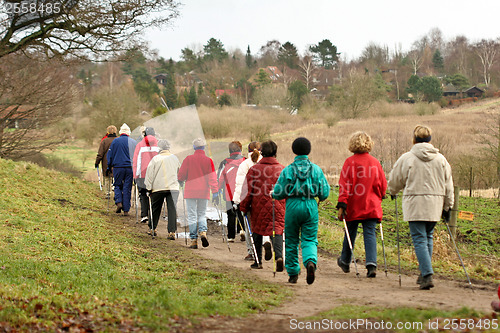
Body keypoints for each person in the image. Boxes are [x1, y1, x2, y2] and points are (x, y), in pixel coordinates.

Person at [388, 125, 454, 290]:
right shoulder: (441, 160)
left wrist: (392, 191)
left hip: (415, 205)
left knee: (419, 239)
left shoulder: (407, 158)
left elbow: (396, 178)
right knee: (428, 237)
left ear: (414, 139)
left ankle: (426, 274)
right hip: (435, 206)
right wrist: (448, 207)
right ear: (430, 140)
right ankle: (425, 272)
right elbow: (449, 185)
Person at [272, 137, 330, 284]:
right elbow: (324, 193)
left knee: (291, 240)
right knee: (309, 239)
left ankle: (293, 273)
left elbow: (279, 192)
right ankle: (310, 262)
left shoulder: (288, 170)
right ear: (308, 151)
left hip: (292, 206)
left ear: (294, 150)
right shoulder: (316, 170)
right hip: (310, 205)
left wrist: (273, 194)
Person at [335, 132, 387, 278]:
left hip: (353, 205)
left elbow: (344, 184)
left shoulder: (349, 162)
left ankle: (345, 261)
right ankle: (371, 264)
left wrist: (342, 203)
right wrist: (381, 195)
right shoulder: (375, 162)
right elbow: (382, 184)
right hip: (371, 204)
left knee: (350, 232)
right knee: (369, 233)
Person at [240, 140, 285, 271]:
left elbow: (247, 192)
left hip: (257, 206)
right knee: (277, 229)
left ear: (262, 153)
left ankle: (258, 261)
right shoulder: (282, 169)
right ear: (275, 152)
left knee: (257, 231)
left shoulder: (254, 169)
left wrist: (244, 207)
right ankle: (279, 257)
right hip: (278, 205)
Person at [233, 142, 272, 261]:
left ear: (248, 150)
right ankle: (265, 240)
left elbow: (241, 184)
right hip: (266, 200)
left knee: (249, 227)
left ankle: (252, 252)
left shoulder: (244, 164)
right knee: (264, 224)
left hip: (250, 200)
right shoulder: (266, 163)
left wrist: (236, 201)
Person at [178, 138, 218, 249]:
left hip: (190, 191)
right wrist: (215, 192)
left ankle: (193, 240)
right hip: (204, 191)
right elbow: (212, 178)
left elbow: (181, 176)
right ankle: (203, 232)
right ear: (204, 147)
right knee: (201, 214)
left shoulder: (188, 159)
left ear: (194, 147)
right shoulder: (208, 160)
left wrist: (180, 180)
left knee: (191, 215)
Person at [144, 139, 180, 239]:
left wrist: (148, 188)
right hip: (173, 188)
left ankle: (152, 228)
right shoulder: (175, 158)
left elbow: (149, 175)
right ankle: (172, 232)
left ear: (159, 148)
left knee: (155, 208)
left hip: (158, 187)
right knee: (172, 209)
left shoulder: (155, 159)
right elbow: (179, 172)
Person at [216, 141, 246, 242]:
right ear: (240, 149)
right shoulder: (245, 161)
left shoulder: (224, 162)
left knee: (231, 214)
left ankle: (231, 236)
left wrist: (217, 189)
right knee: (242, 212)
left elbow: (220, 178)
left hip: (228, 193)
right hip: (242, 192)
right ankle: (242, 231)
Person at [107, 123, 137, 216]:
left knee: (117, 185)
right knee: (127, 188)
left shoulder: (116, 141)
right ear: (129, 132)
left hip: (118, 167)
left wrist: (109, 166)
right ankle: (126, 210)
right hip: (130, 168)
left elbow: (110, 155)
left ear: (120, 132)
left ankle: (119, 202)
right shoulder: (133, 142)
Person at [133, 127, 160, 224]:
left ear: (144, 134)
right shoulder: (158, 145)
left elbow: (136, 161)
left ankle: (144, 215)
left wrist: (136, 175)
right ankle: (153, 216)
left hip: (142, 174)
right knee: (154, 194)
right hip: (155, 174)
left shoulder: (140, 145)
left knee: (143, 194)